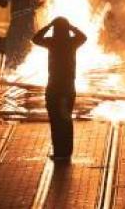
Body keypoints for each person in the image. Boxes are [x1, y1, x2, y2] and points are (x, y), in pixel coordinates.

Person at [32, 17, 87, 163]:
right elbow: (83, 37)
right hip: (69, 87)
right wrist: (71, 27)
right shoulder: (71, 43)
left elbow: (35, 39)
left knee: (56, 121)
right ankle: (66, 152)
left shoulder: (52, 42)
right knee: (66, 119)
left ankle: (58, 152)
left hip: (54, 87)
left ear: (55, 29)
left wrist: (48, 26)